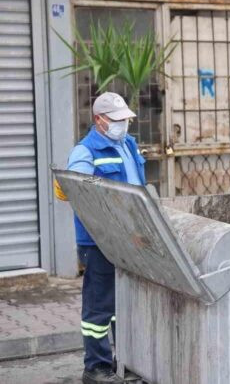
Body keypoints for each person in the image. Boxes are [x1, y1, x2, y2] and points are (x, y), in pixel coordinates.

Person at [54, 92, 144, 384]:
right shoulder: (86, 151)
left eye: (125, 120)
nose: (123, 125)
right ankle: (96, 367)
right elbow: (76, 189)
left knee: (123, 305)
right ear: (99, 120)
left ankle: (123, 362)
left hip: (128, 239)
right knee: (99, 306)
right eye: (116, 120)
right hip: (99, 241)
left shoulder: (128, 144)